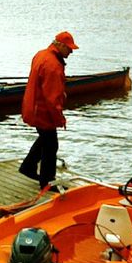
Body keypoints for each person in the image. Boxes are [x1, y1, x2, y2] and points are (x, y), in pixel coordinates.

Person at [19, 31, 78, 189]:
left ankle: (28, 166)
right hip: (43, 111)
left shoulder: (41, 55)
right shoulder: (53, 66)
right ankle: (47, 181)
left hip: (33, 106)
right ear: (59, 45)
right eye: (69, 48)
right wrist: (60, 118)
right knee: (51, 145)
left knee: (45, 139)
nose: (71, 52)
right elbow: (52, 98)